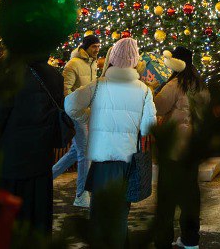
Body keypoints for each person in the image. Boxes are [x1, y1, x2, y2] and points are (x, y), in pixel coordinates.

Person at [66, 37, 157, 248]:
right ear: (134, 62)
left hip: (101, 160)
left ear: (113, 59)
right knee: (120, 214)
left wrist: (90, 117)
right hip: (127, 161)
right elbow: (148, 127)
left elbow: (70, 105)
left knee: (99, 214)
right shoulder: (144, 90)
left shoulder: (98, 85)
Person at [0, 57, 66, 233]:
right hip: (41, 157)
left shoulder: (10, 75)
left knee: (9, 218)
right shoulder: (54, 75)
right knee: (37, 213)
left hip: (11, 158)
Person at [153, 46, 208, 249]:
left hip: (173, 149)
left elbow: (158, 106)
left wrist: (153, 90)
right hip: (192, 148)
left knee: (167, 196)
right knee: (191, 194)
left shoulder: (175, 84)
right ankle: (190, 239)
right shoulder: (200, 84)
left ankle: (163, 240)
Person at [53, 34, 101, 207]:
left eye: (98, 46)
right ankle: (81, 195)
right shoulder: (73, 64)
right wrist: (74, 106)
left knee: (76, 151)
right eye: (94, 46)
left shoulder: (93, 63)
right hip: (75, 113)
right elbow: (66, 89)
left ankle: (48, 176)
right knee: (84, 153)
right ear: (86, 47)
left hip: (86, 112)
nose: (97, 49)